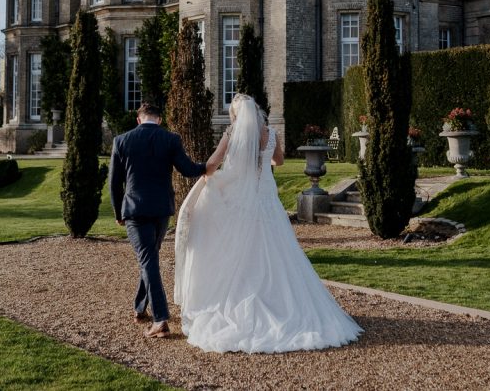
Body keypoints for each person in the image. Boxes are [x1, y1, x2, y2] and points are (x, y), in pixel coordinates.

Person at [174, 93, 363, 353]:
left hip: (241, 201)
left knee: (240, 249)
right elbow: (279, 160)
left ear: (237, 114)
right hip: (266, 199)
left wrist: (206, 176)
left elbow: (214, 162)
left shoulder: (232, 134)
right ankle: (287, 305)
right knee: (278, 250)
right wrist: (264, 158)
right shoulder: (270, 133)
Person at [110, 102, 215, 339]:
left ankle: (160, 319)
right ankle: (140, 307)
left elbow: (114, 183)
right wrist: (210, 167)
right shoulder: (170, 139)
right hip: (161, 210)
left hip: (135, 211)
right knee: (149, 258)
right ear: (159, 119)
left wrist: (118, 213)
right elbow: (188, 169)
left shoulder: (122, 140)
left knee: (148, 260)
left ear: (139, 119)